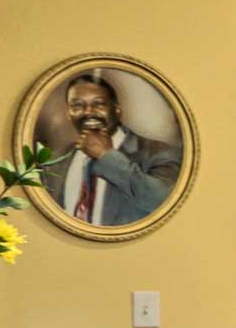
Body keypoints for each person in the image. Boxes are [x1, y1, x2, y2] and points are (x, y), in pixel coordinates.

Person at [45, 68, 178, 228]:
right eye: (78, 105)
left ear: (117, 110)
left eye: (99, 104)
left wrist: (106, 156)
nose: (88, 112)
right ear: (69, 114)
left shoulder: (159, 153)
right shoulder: (54, 161)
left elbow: (162, 203)